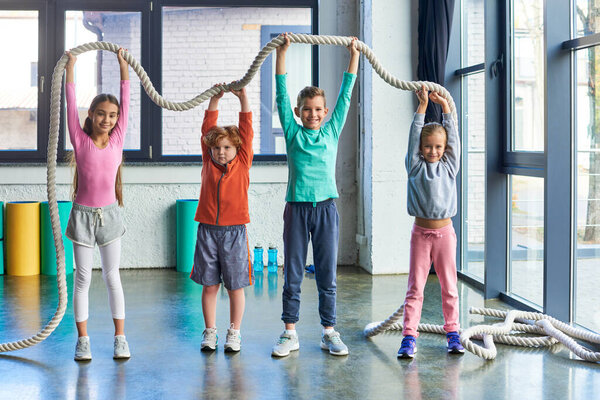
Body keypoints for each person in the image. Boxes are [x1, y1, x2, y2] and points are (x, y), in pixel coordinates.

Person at [270, 33, 359, 357]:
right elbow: (280, 94)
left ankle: (329, 331)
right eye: (307, 109)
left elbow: (346, 94)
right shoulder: (293, 132)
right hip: (296, 209)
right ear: (298, 111)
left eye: (319, 109)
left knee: (326, 274)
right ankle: (289, 332)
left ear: (325, 111)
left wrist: (354, 54)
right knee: (293, 272)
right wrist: (282, 53)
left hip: (326, 209)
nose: (313, 114)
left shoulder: (332, 130)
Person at [64, 48, 130, 361]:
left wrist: (123, 67)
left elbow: (127, 99)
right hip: (82, 215)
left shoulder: (117, 140)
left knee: (111, 276)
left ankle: (120, 337)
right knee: (83, 278)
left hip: (110, 216)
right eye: (101, 113)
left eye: (112, 115)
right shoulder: (80, 139)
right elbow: (69, 103)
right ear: (91, 114)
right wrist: (71, 68)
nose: (107, 119)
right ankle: (83, 340)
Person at [397, 84, 464, 358]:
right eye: (428, 146)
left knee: (449, 286)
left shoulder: (450, 166)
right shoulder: (414, 166)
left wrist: (446, 107)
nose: (433, 151)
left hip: (445, 235)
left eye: (438, 146)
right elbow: (414, 137)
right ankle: (409, 337)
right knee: (416, 288)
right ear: (421, 148)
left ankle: (453, 334)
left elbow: (455, 139)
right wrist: (422, 106)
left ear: (444, 148)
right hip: (421, 235)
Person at [189, 84, 253, 353]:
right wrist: (214, 100)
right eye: (216, 148)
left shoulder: (243, 161)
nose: (221, 152)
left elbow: (247, 130)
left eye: (227, 147)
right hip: (208, 231)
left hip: (235, 232)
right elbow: (207, 129)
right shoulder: (208, 161)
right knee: (210, 285)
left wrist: (243, 99)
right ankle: (210, 331)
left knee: (235, 286)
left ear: (236, 149)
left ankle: (234, 332)